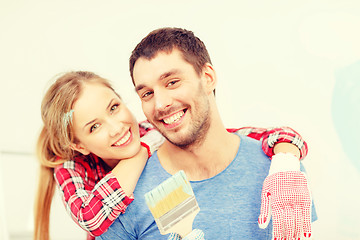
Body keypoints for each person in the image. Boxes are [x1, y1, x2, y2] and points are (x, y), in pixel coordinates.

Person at [98, 27, 316, 240]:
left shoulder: (280, 172)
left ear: (208, 77)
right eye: (147, 93)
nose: (161, 103)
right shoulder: (127, 195)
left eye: (172, 82)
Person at [34, 71, 308, 240]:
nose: (116, 128)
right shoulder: (71, 166)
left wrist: (285, 159)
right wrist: (140, 153)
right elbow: (91, 218)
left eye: (114, 107)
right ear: (79, 145)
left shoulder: (148, 131)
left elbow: (241, 135)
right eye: (94, 127)